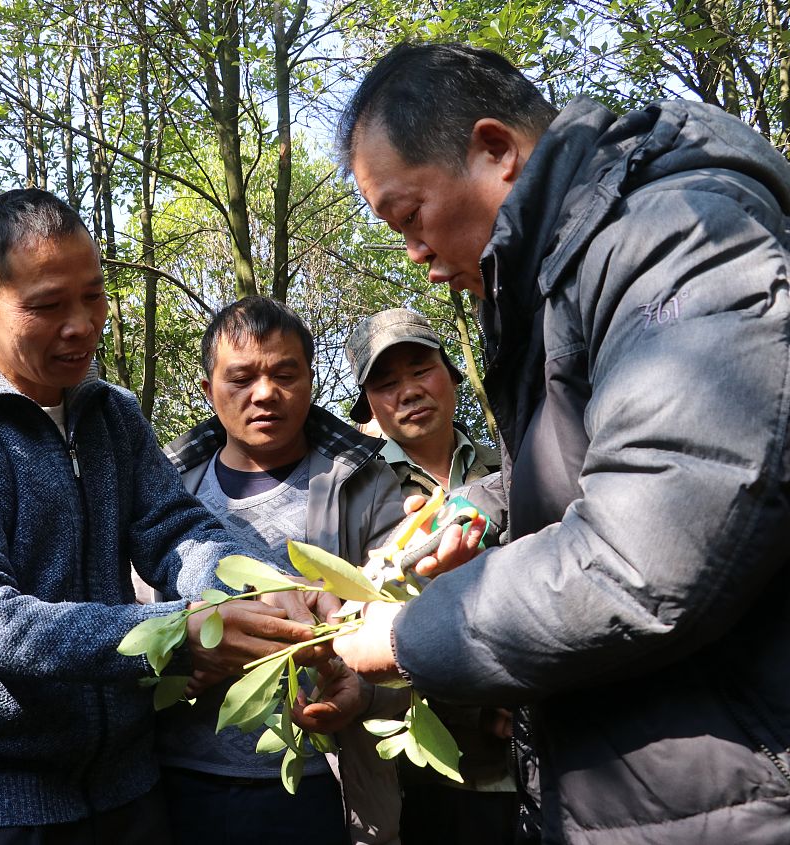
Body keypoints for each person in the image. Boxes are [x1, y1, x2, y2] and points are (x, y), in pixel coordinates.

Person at [330, 41, 790, 844]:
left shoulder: (678, 240)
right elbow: (592, 465)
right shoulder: (555, 282)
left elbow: (644, 554)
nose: (415, 254)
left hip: (731, 794)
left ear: (496, 150)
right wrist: (477, 511)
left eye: (410, 217)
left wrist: (405, 635)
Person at [0, 188, 318, 842]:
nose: (81, 323)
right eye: (48, 305)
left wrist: (265, 593)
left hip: (129, 786)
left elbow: (178, 533)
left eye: (93, 295)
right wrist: (177, 631)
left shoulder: (112, 414)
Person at [159, 296, 404, 845]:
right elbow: (132, 620)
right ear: (208, 390)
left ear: (311, 381)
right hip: (182, 778)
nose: (264, 393)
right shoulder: (167, 492)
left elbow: (404, 623)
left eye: (284, 374)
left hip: (325, 784)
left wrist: (358, 695)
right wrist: (180, 661)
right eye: (241, 378)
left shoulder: (367, 487)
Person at [344, 307, 514, 844]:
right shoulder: (359, 492)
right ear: (369, 404)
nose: (409, 392)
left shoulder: (512, 464)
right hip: (436, 763)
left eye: (421, 371)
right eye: (387, 383)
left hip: (543, 740)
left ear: (453, 375)